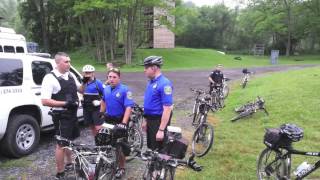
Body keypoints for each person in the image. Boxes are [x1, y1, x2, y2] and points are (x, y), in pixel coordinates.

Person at [41, 52, 81, 179]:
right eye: (66, 62)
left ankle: (69, 163)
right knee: (61, 144)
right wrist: (65, 103)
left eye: (69, 61)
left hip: (73, 114)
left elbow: (81, 89)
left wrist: (87, 80)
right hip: (61, 115)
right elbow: (45, 101)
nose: (69, 64)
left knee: (70, 140)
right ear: (57, 63)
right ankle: (60, 172)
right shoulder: (50, 78)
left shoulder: (70, 75)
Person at [99, 67, 134, 179]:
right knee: (106, 141)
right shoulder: (106, 88)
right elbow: (103, 101)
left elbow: (128, 107)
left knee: (120, 145)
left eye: (114, 77)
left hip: (120, 120)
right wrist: (101, 112)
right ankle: (109, 161)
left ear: (119, 78)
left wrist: (124, 123)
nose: (112, 79)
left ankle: (122, 167)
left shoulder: (126, 90)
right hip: (109, 119)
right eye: (110, 77)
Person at [141, 56, 173, 151]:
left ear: (154, 68)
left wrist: (161, 130)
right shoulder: (150, 82)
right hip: (150, 120)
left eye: (146, 67)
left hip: (158, 121)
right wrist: (145, 120)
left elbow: (167, 109)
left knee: (159, 150)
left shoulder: (165, 83)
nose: (144, 70)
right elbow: (149, 104)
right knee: (151, 148)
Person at [79, 64, 104, 136]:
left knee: (98, 127)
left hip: (96, 108)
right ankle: (97, 142)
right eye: (86, 73)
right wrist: (83, 83)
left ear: (93, 73)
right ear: (83, 73)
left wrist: (99, 102)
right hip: (86, 108)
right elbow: (81, 91)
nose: (88, 74)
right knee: (91, 126)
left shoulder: (98, 83)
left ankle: (102, 143)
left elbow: (105, 94)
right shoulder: (83, 82)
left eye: (89, 72)